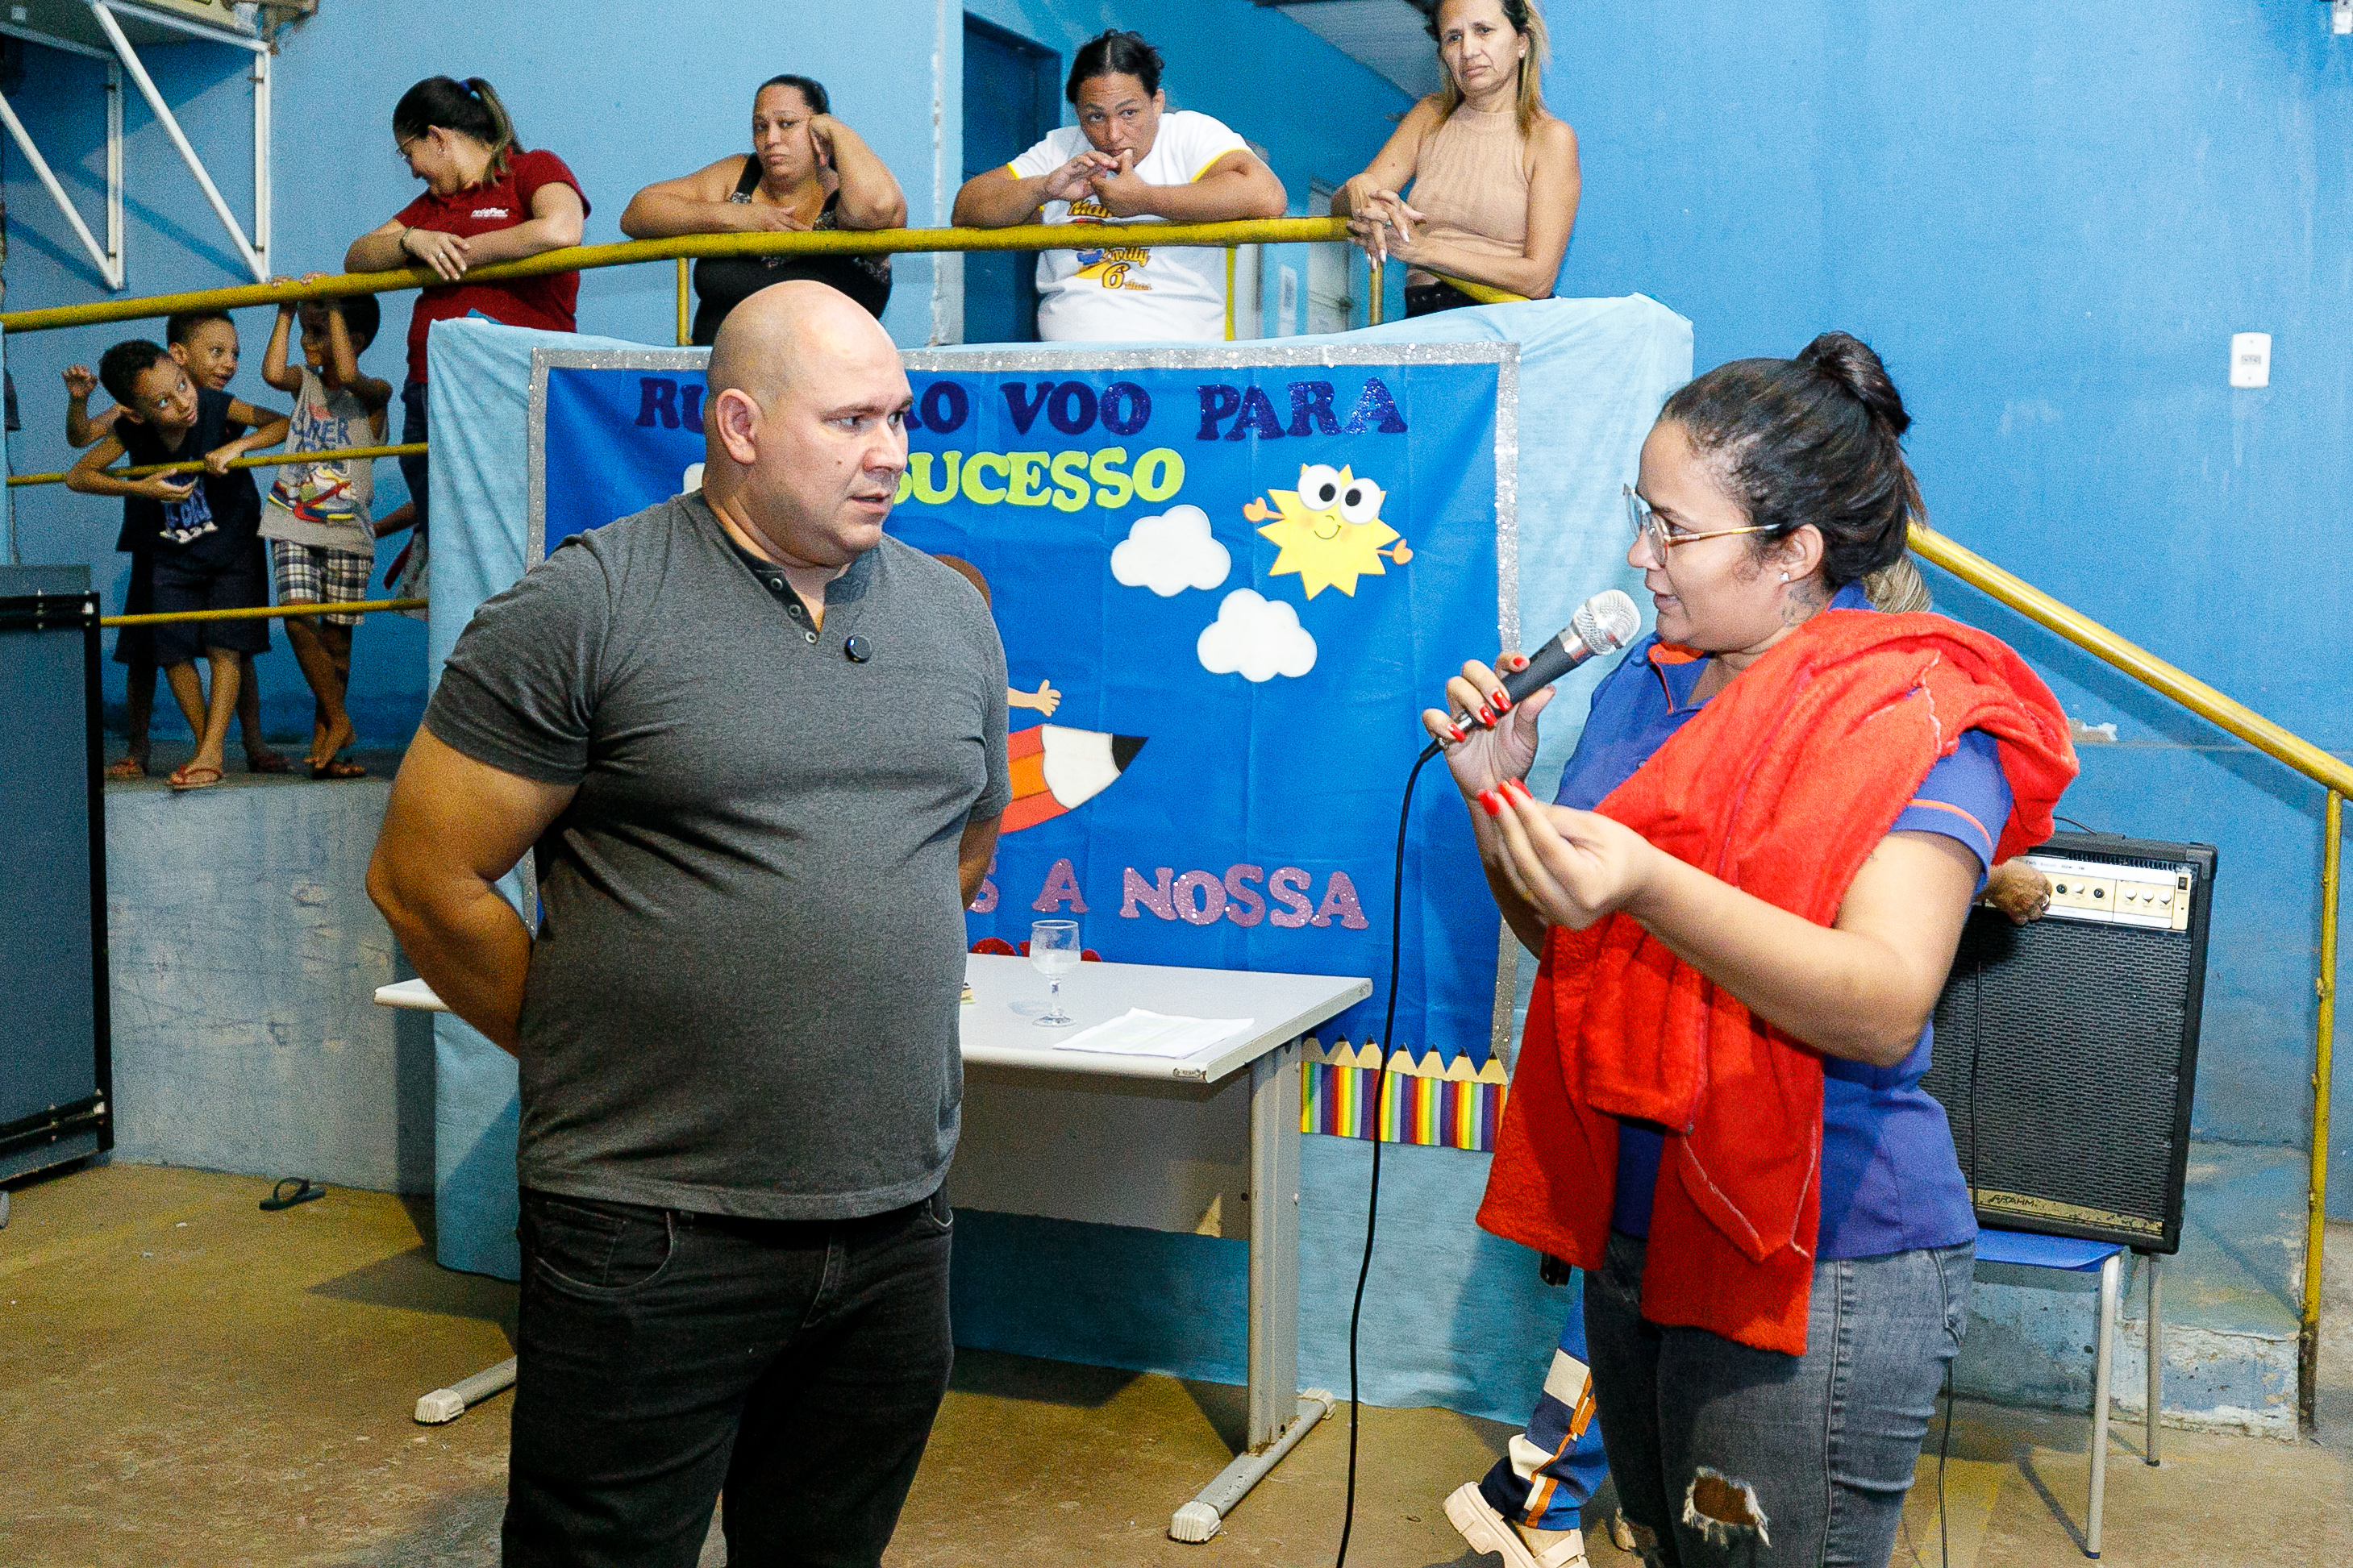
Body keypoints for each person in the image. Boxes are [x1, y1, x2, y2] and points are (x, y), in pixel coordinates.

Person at [366, 281, 1009, 1566]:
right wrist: (586, 1047)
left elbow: (960, 845)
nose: (891, 452)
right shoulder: (588, 606)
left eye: (900, 416)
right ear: (740, 425)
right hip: (648, 1228)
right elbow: (425, 879)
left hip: (894, 1224)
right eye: (850, 421)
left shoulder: (952, 614)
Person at [1426, 333, 2076, 1568]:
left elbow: (1881, 1003)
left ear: (1792, 553)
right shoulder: (1641, 686)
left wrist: (1650, 880)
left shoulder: (1914, 712)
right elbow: (1572, 944)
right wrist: (1494, 803)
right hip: (1635, 1231)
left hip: (1823, 1257)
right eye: (1640, 517)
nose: (1638, 557)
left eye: (1671, 529)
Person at [344, 76, 587, 582]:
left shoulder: (531, 168)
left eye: (408, 153)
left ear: (437, 137)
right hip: (430, 391)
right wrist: (412, 240)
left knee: (517, 545)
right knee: (455, 552)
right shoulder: (430, 208)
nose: (412, 170)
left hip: (512, 388)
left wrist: (457, 253)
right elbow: (358, 256)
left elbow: (561, 229)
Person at [952, 29, 1286, 342]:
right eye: (1096, 117)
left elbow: (1267, 195)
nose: (1113, 135)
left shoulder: (1189, 134)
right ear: (1078, 113)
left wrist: (1145, 200)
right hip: (1068, 372)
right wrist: (1043, 188)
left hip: (1180, 370)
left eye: (1128, 113)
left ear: (1157, 103)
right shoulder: (1061, 149)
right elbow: (967, 207)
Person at [70, 311, 289, 779]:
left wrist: (238, 447)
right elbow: (78, 470)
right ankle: (201, 746)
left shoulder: (213, 404)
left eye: (182, 387)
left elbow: (282, 424)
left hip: (230, 545)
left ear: (181, 368)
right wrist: (140, 487)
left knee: (229, 645)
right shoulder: (132, 425)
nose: (182, 402)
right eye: (164, 401)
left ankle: (218, 749)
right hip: (169, 551)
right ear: (136, 411)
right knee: (166, 648)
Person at [1334, 0, 1580, 318]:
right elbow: (1341, 209)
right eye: (1453, 37)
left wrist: (1424, 250)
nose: (1468, 51)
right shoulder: (1429, 116)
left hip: (1504, 323)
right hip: (1422, 318)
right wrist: (1357, 187)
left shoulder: (1550, 137)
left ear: (1521, 42)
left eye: (1483, 30)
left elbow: (1538, 279)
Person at [620, 74, 902, 340]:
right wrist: (736, 217)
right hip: (720, 371)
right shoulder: (737, 176)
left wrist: (839, 132)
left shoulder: (851, 194)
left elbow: (876, 210)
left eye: (787, 124)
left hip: (829, 373)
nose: (771, 139)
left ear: (820, 129)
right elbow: (638, 212)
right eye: (760, 126)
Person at [259, 283, 393, 780]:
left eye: (319, 332)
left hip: (346, 527)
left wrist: (334, 304)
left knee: (337, 644)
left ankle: (327, 750)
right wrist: (285, 311)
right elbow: (272, 373)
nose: (306, 342)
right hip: (291, 517)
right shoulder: (306, 384)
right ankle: (340, 721)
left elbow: (351, 374)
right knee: (297, 619)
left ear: (353, 339)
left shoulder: (375, 393)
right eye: (306, 331)